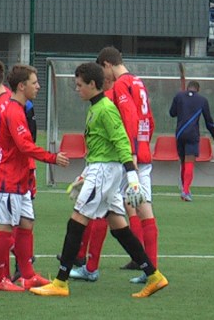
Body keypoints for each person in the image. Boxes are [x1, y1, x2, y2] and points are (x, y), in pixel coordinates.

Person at [30, 62, 168, 299]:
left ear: (93, 84)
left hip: (104, 173)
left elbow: (122, 141)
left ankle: (60, 282)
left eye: (79, 85)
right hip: (100, 171)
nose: (77, 89)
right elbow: (100, 145)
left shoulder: (105, 109)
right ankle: (154, 276)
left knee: (76, 222)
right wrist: (86, 173)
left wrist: (132, 177)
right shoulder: (97, 107)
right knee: (119, 227)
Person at [0, 61, 70, 291]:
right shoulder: (13, 111)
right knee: (5, 228)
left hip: (17, 177)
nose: (38, 87)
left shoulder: (13, 107)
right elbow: (24, 145)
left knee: (26, 223)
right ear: (21, 86)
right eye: (34, 83)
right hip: (7, 177)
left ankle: (28, 275)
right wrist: (52, 158)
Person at [78, 46, 159, 284]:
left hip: (127, 158)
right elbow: (149, 120)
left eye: (103, 71)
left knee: (101, 208)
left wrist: (130, 153)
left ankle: (89, 266)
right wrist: (142, 145)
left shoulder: (122, 84)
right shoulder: (138, 82)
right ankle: (151, 270)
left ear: (107, 65)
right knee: (142, 209)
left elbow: (128, 118)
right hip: (142, 153)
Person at [169, 80, 214, 201]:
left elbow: (172, 113)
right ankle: (186, 191)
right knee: (189, 162)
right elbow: (209, 121)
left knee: (183, 162)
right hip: (192, 134)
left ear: (187, 88)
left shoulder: (179, 96)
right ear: (198, 89)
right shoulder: (202, 100)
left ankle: (184, 189)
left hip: (180, 133)